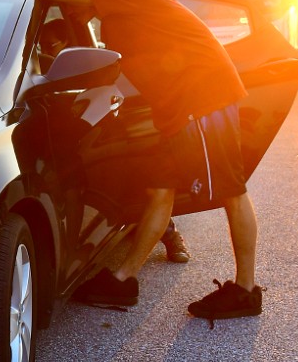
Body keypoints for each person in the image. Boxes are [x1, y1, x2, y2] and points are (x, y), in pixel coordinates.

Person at [36, 0, 262, 321]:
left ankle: (246, 290)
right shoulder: (115, 15)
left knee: (231, 192)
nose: (69, 11)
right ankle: (124, 280)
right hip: (176, 109)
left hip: (203, 98)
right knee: (159, 190)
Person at [38, 18, 194, 265]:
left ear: (67, 43)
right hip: (61, 131)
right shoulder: (44, 66)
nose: (45, 52)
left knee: (141, 183)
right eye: (40, 48)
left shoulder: (80, 64)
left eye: (50, 45)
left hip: (98, 125)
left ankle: (170, 234)